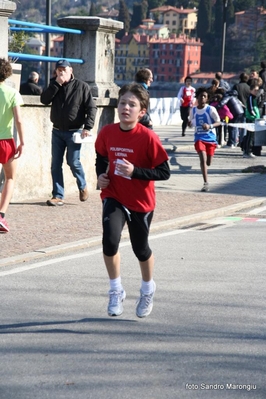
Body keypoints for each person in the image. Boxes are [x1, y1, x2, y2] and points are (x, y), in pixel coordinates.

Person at [95, 83, 170, 318]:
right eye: (123, 103)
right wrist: (101, 175)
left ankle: (148, 289)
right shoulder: (107, 132)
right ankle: (116, 290)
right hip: (114, 195)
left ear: (142, 112)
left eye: (132, 104)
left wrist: (135, 172)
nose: (125, 107)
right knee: (109, 241)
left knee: (141, 249)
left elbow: (164, 172)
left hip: (141, 202)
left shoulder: (148, 138)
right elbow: (101, 156)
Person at [40, 59, 97, 206]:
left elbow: (91, 108)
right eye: (58, 70)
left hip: (74, 132)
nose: (61, 72)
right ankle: (58, 195)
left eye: (63, 70)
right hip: (57, 131)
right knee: (55, 164)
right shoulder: (54, 85)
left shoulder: (82, 87)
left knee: (73, 162)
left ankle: (83, 185)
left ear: (70, 70)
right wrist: (57, 84)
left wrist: (88, 127)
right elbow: (44, 100)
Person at [0, 58, 25, 232]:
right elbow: (19, 120)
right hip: (6, 141)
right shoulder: (12, 93)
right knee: (10, 178)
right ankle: (1, 215)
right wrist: (22, 141)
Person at [189, 87, 221, 192]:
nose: (202, 98)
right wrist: (189, 124)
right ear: (197, 97)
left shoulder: (210, 109)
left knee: (208, 162)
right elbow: (192, 122)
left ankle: (207, 164)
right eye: (200, 96)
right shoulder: (193, 110)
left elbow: (219, 122)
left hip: (210, 138)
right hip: (199, 138)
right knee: (202, 158)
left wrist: (210, 126)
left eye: (204, 96)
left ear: (207, 99)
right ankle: (206, 183)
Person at [243, 82, 260, 158]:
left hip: (254, 119)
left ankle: (249, 150)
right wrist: (254, 115)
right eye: (255, 90)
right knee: (249, 136)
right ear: (251, 90)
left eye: (257, 90)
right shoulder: (250, 97)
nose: (256, 92)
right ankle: (247, 151)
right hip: (251, 119)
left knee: (252, 136)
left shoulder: (255, 98)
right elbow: (250, 108)